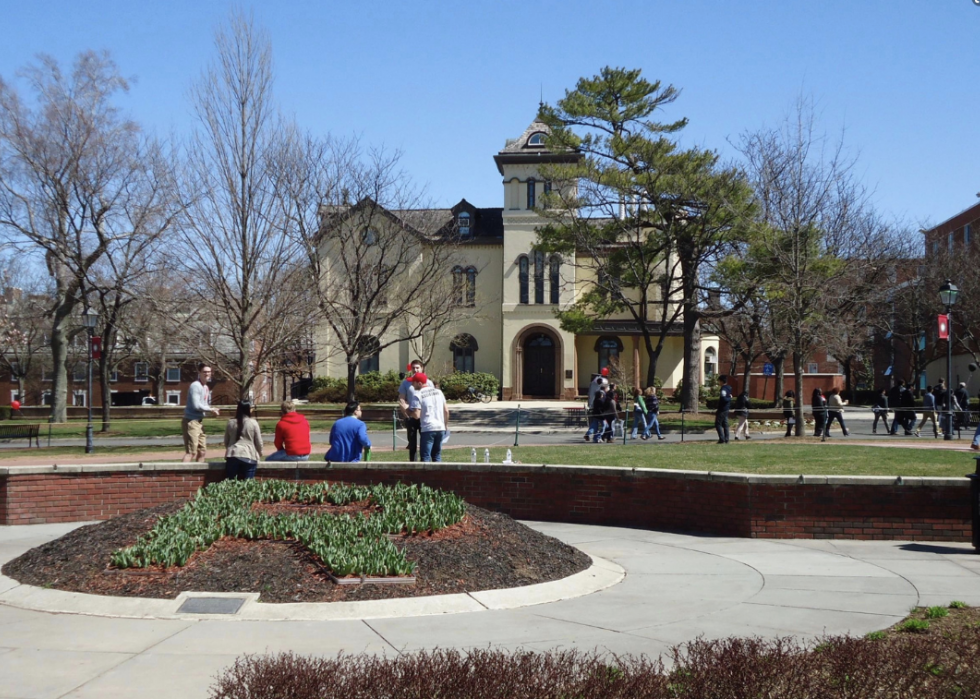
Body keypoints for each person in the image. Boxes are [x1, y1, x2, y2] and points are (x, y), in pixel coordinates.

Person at [182, 364, 220, 463]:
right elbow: (196, 406)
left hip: (199, 422)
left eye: (209, 372)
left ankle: (199, 476)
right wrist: (211, 409)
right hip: (191, 422)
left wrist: (212, 411)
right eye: (204, 372)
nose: (207, 374)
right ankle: (183, 475)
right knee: (191, 452)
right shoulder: (195, 386)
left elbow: (204, 405)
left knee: (202, 451)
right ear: (199, 373)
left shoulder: (206, 388)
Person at [408, 372, 449, 462]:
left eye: (413, 382)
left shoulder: (417, 394)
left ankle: (426, 476)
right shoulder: (439, 392)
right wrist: (445, 426)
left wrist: (407, 410)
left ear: (419, 383)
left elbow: (416, 415)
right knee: (437, 456)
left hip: (428, 428)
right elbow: (446, 410)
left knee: (426, 456)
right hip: (440, 427)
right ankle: (438, 475)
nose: (411, 384)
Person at [398, 360, 433, 462]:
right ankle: (413, 463)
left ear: (422, 368)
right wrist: (406, 415)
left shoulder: (428, 383)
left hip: (425, 417)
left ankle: (425, 462)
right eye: (413, 368)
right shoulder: (406, 383)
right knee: (412, 443)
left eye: (417, 367)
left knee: (425, 441)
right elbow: (401, 399)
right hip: (411, 416)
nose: (415, 370)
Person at [223, 401, 262, 480]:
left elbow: (226, 441)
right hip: (249, 455)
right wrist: (259, 453)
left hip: (232, 454)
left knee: (231, 484)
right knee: (248, 485)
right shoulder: (253, 423)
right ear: (248, 409)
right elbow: (259, 442)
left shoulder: (231, 422)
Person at [585, 370, 609, 441]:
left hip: (594, 413)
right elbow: (604, 406)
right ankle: (598, 436)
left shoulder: (595, 396)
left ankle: (589, 434)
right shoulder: (602, 398)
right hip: (600, 415)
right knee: (605, 426)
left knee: (594, 425)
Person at [715, 375, 732, 444]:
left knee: (718, 424)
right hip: (727, 408)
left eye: (719, 381)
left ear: (721, 381)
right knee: (725, 424)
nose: (719, 383)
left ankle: (722, 439)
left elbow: (723, 398)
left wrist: (729, 398)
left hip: (722, 409)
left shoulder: (723, 389)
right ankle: (727, 439)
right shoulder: (729, 388)